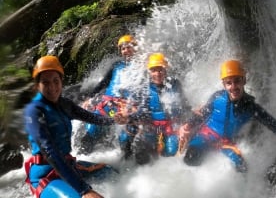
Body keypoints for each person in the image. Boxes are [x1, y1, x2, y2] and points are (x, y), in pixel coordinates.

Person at [23, 55, 118, 198]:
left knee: (110, 173)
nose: (52, 87)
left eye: (56, 81)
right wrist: (84, 190)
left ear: (62, 81)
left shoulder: (65, 104)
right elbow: (50, 152)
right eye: (45, 82)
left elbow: (93, 118)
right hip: (45, 175)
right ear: (37, 85)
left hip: (67, 166)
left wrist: (115, 120)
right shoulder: (34, 111)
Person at [179, 59, 276, 172]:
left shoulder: (251, 107)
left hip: (225, 143)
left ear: (244, 81)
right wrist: (187, 125)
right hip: (206, 136)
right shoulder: (217, 97)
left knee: (242, 167)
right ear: (224, 85)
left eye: (237, 81)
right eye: (229, 83)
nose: (233, 87)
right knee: (191, 158)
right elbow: (203, 114)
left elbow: (274, 125)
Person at [115, 52, 191, 165]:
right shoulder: (146, 88)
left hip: (171, 128)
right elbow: (143, 111)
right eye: (154, 70)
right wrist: (128, 117)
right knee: (141, 154)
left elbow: (184, 106)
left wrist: (187, 123)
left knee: (170, 154)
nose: (157, 73)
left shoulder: (175, 84)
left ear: (165, 70)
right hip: (152, 127)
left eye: (160, 69)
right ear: (149, 72)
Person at [79, 34, 140, 157]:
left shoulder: (142, 68)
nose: (126, 51)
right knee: (92, 130)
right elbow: (104, 83)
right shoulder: (116, 66)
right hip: (108, 105)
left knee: (125, 138)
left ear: (135, 48)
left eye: (129, 47)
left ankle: (126, 164)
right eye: (123, 48)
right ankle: (81, 159)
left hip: (126, 108)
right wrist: (89, 97)